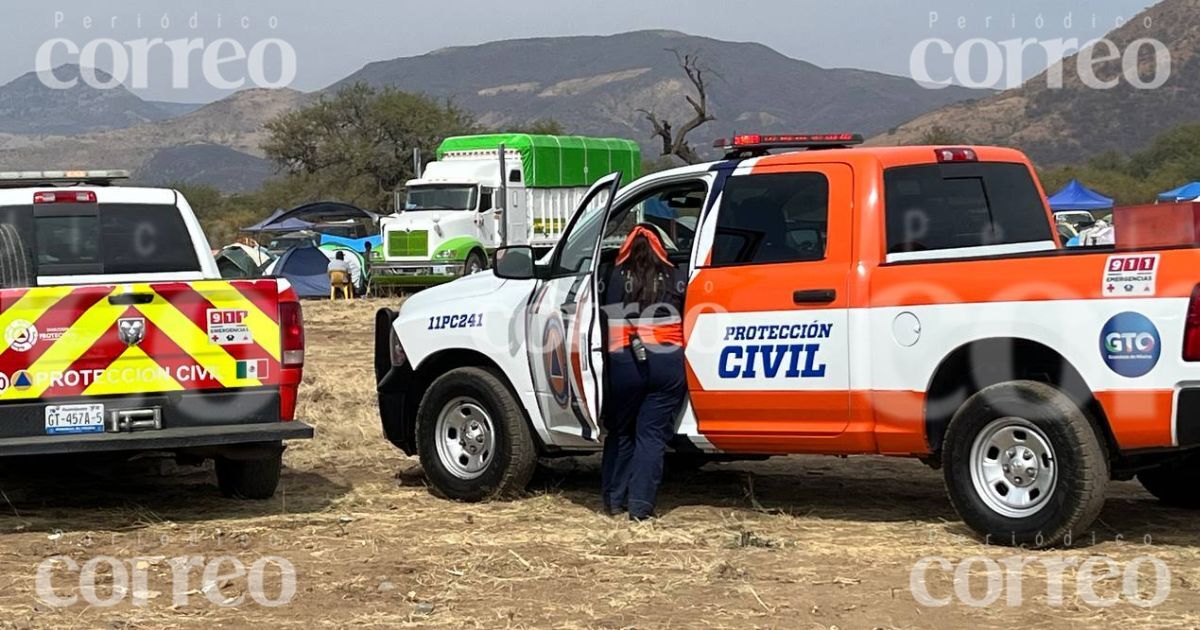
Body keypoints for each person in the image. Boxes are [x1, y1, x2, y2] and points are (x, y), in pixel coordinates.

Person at [601, 224, 687, 521]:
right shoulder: (677, 275)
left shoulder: (611, 276)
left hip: (625, 361)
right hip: (666, 363)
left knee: (622, 431)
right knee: (650, 436)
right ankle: (640, 509)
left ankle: (614, 501)